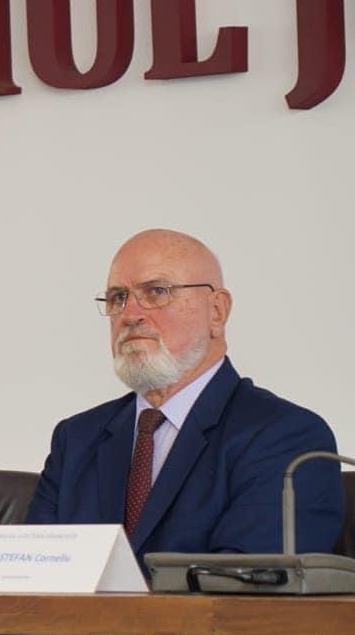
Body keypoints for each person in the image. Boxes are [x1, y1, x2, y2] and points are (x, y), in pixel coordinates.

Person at [27, 228, 341, 554]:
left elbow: (249, 578)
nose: (130, 315)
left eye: (157, 292)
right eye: (118, 298)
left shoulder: (285, 437)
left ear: (217, 311)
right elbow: (34, 570)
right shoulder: (76, 439)